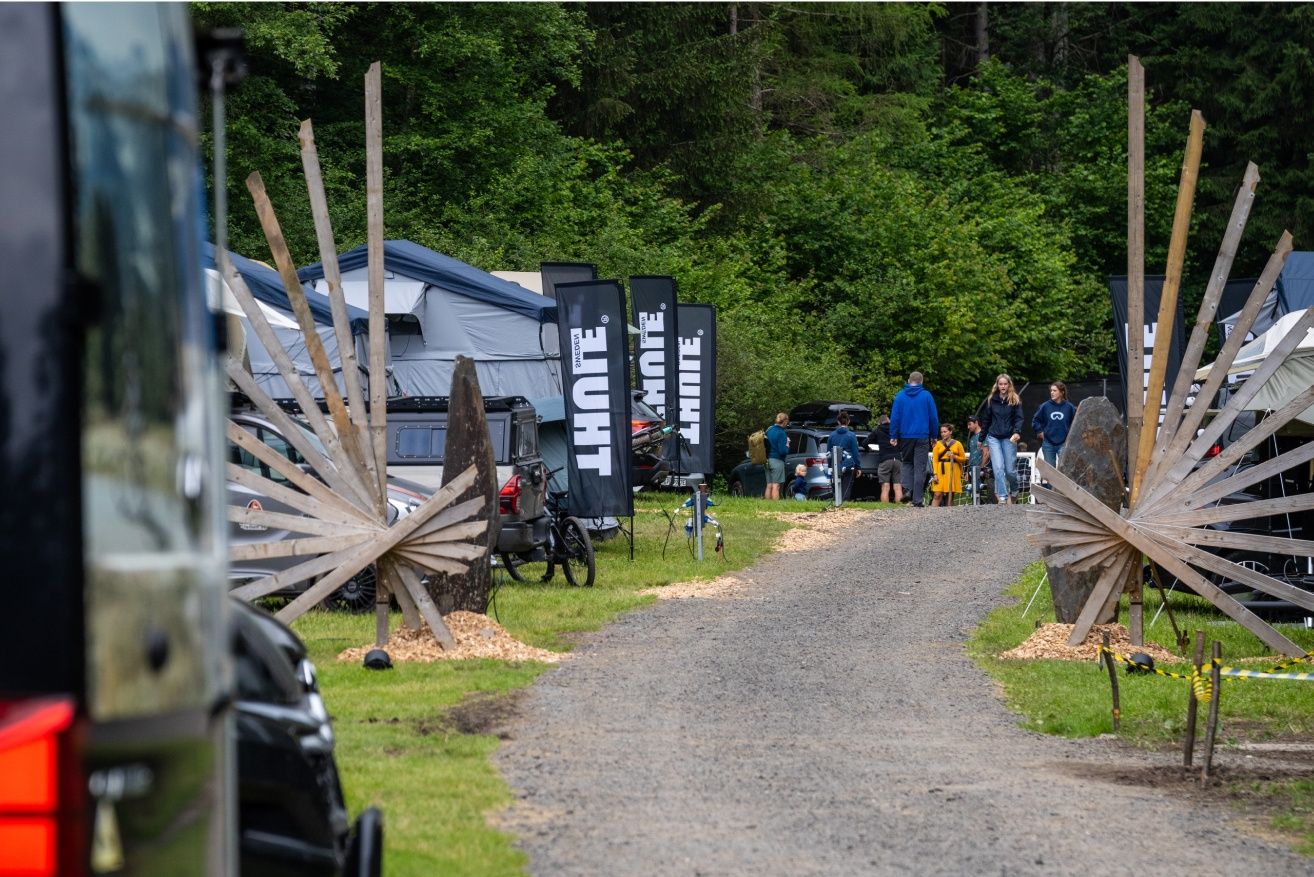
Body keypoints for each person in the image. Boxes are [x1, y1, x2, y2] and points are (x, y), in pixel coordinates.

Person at [889, 371, 939, 508]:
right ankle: (917, 499)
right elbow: (933, 418)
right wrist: (934, 436)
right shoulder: (926, 396)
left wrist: (893, 435)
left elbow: (895, 418)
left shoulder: (900, 396)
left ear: (908, 380)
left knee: (907, 463)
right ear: (921, 382)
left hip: (905, 436)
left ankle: (907, 489)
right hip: (922, 436)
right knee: (920, 468)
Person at [979, 373, 1023, 504]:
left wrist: (1016, 432)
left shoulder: (1015, 399)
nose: (1003, 386)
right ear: (997, 385)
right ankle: (1003, 496)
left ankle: (1014, 489)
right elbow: (986, 420)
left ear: (1009, 385)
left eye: (1005, 384)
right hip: (994, 437)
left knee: (1010, 470)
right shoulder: (991, 400)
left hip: (1009, 438)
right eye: (1000, 384)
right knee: (998, 468)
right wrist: (981, 439)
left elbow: (1019, 419)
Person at [1032, 381, 1077, 469]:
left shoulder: (1070, 407)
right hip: (1048, 443)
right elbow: (1035, 420)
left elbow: (1076, 423)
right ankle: (1050, 484)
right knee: (1050, 472)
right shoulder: (1044, 406)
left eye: (1055, 390)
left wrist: (1072, 438)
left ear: (1062, 392)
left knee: (1066, 469)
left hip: (1064, 443)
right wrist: (1039, 431)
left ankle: (1064, 484)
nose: (1052, 392)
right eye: (1051, 391)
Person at [828, 410, 863, 502]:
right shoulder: (851, 435)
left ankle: (836, 503)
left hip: (835, 464)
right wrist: (858, 467)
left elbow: (829, 453)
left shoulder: (831, 436)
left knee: (836, 486)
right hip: (848, 464)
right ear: (849, 422)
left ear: (838, 422)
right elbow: (855, 452)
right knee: (846, 487)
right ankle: (844, 504)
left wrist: (829, 466)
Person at [930, 423, 966, 507]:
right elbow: (934, 460)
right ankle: (931, 514)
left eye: (945, 431)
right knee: (937, 494)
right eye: (941, 432)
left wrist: (954, 456)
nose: (943, 434)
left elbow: (963, 459)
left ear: (950, 432)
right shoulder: (937, 444)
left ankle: (948, 516)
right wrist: (935, 474)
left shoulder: (957, 444)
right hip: (940, 470)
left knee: (950, 495)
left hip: (953, 470)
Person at [870, 414, 903, 504]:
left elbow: (865, 443)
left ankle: (885, 509)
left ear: (879, 423)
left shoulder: (877, 430)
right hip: (898, 459)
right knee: (898, 485)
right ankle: (900, 508)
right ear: (889, 421)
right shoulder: (896, 430)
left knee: (885, 486)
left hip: (885, 459)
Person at [764, 412, 789, 500]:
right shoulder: (781, 433)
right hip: (777, 460)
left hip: (767, 460)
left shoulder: (769, 430)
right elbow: (782, 451)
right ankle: (775, 507)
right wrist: (787, 446)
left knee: (769, 485)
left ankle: (767, 506)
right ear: (785, 421)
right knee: (776, 485)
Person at [965, 415, 990, 503]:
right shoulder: (972, 438)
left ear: (976, 423)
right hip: (972, 469)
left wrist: (981, 468)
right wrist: (968, 470)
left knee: (981, 494)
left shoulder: (983, 435)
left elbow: (986, 453)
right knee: (973, 495)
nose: (968, 427)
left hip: (981, 470)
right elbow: (971, 455)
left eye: (970, 424)